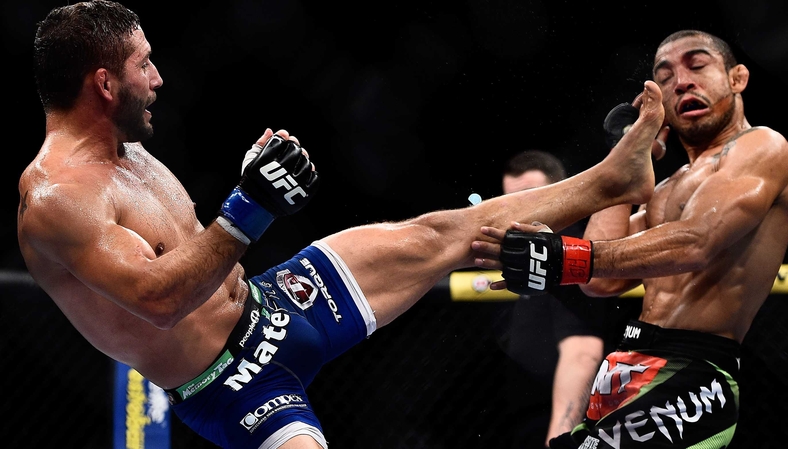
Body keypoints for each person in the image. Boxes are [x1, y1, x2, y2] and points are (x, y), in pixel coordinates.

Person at [17, 1, 665, 448]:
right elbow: (157, 298)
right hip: (230, 385)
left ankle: (611, 178)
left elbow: (188, 241)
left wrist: (248, 181)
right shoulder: (56, 201)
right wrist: (251, 204)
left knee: (444, 229)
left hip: (273, 305)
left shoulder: (127, 148)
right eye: (142, 65)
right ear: (104, 83)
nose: (158, 77)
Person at [473, 29, 788, 448]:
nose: (681, 81)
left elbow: (695, 243)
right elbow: (601, 280)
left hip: (689, 374)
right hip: (628, 369)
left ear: (737, 79)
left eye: (697, 65)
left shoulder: (763, 147)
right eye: (665, 77)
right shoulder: (667, 190)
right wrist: (628, 153)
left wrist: (563, 258)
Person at [496, 150, 623, 447]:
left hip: (557, 424)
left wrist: (558, 438)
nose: (518, 209)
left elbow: (582, 350)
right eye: (509, 200)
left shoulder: (565, 253)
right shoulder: (524, 255)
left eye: (529, 196)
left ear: (560, 191)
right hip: (525, 420)